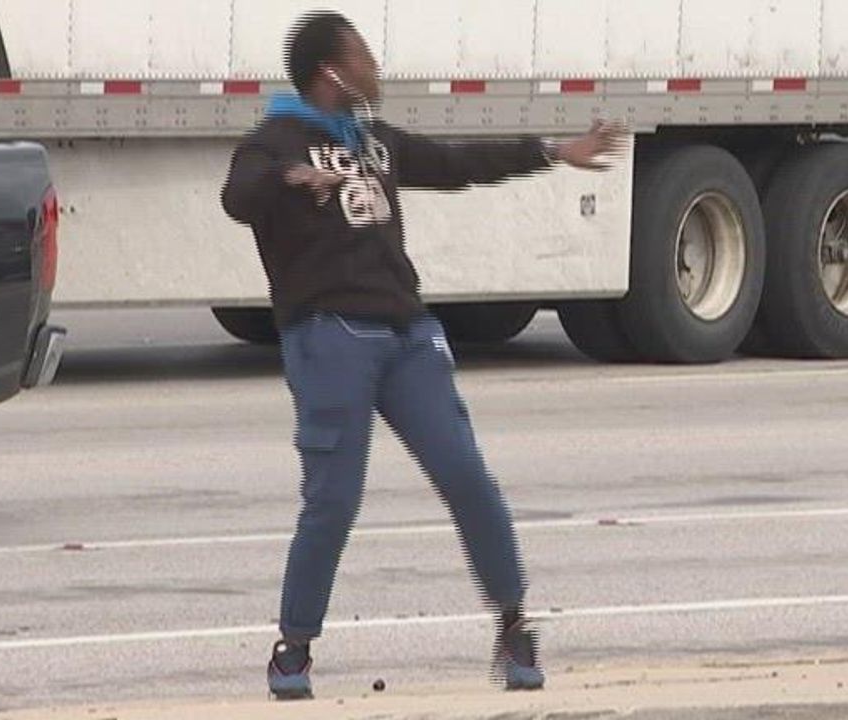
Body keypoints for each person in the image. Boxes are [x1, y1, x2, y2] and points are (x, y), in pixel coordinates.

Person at [221, 10, 624, 701]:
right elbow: (237, 197)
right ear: (331, 72)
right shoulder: (274, 140)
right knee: (333, 500)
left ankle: (514, 625)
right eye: (363, 57)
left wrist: (555, 151)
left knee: (466, 475)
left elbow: (459, 164)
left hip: (407, 334)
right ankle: (294, 648)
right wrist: (290, 180)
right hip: (329, 336)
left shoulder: (375, 142)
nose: (374, 69)